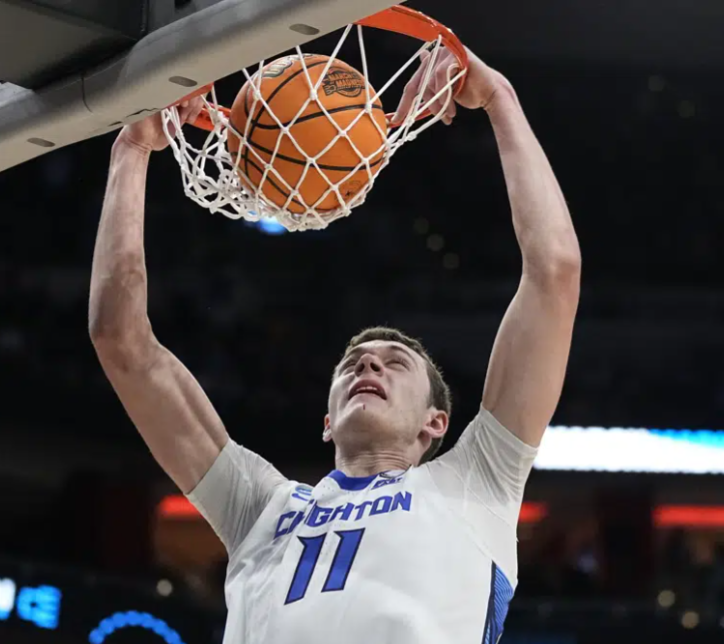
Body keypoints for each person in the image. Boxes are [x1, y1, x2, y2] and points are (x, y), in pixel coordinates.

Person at [89, 45, 580, 644]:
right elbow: (122, 342)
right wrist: (132, 150)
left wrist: (500, 98)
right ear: (327, 420)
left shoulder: (476, 482)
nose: (368, 362)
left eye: (394, 363)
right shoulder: (260, 508)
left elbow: (554, 272)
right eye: (352, 364)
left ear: (436, 422)